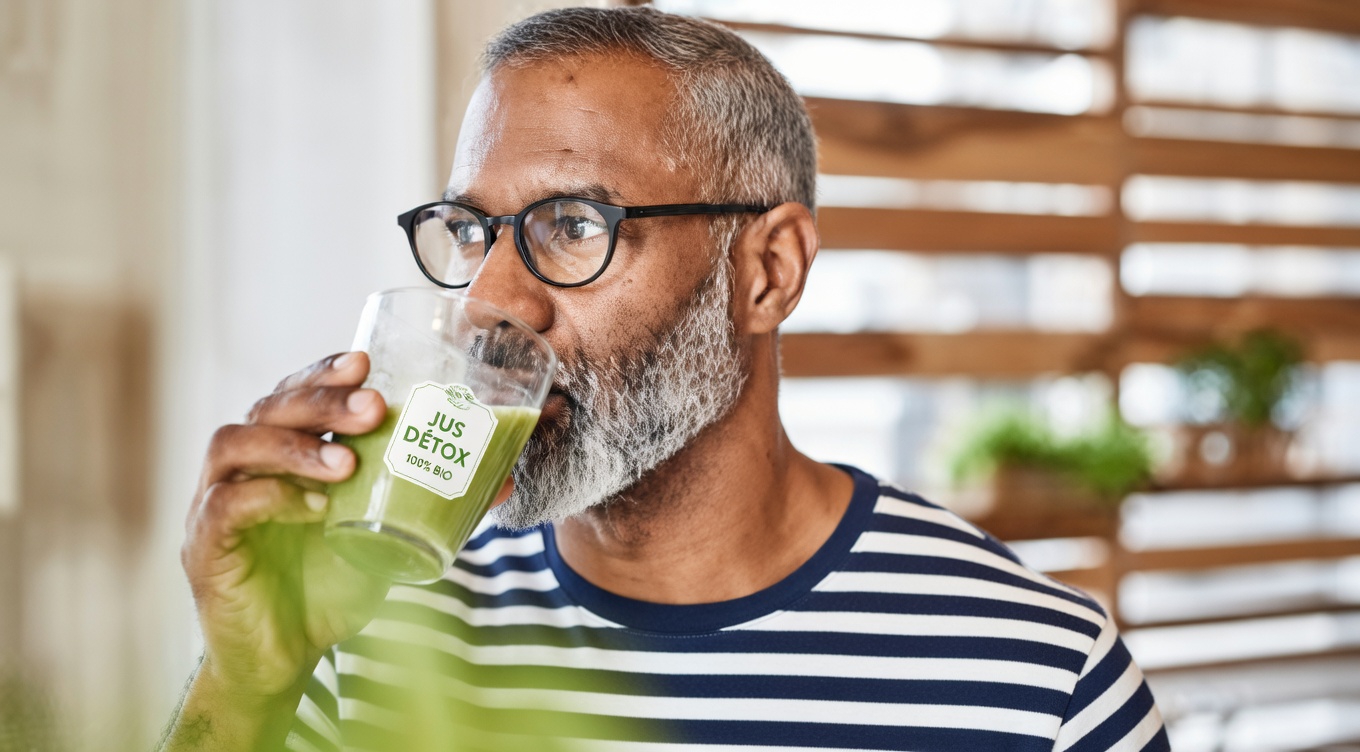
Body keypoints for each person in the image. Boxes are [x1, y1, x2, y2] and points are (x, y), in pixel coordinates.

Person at [159, 6, 1169, 751]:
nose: (493, 296)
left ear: (767, 271)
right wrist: (249, 681)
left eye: (573, 225)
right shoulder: (366, 623)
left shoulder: (1040, 678)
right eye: (472, 231)